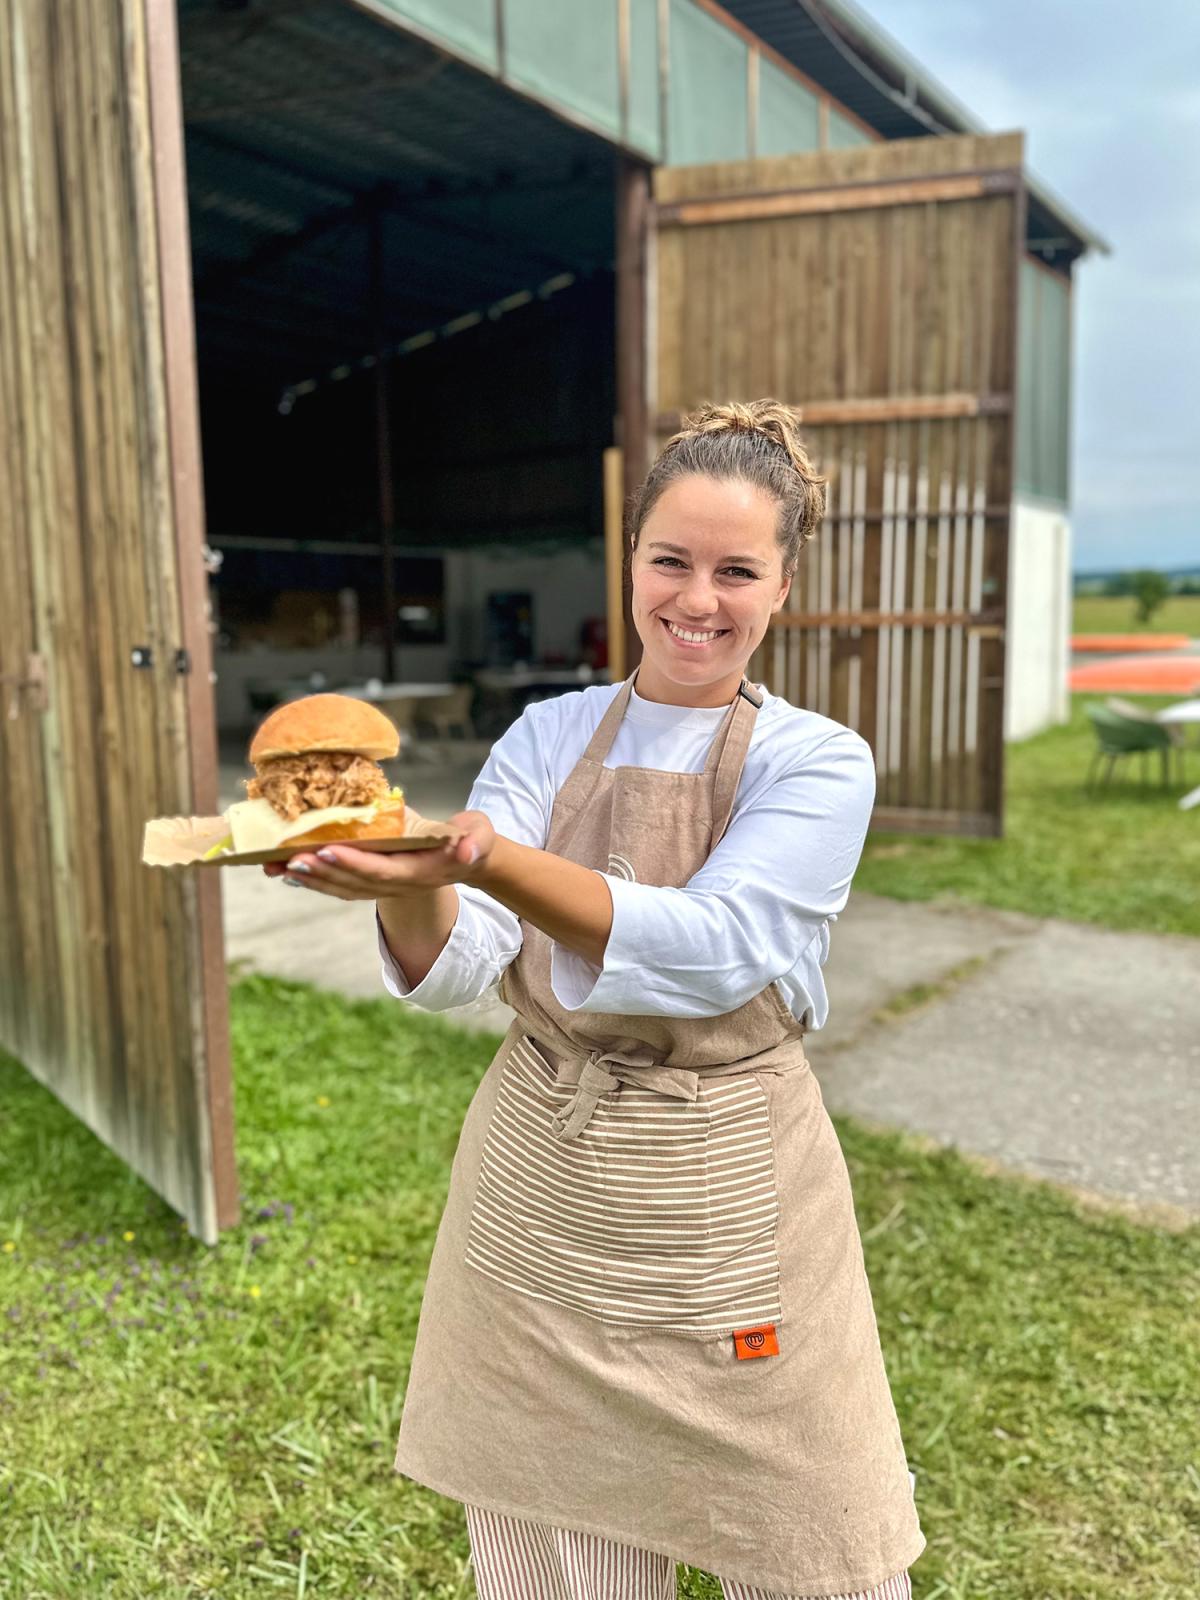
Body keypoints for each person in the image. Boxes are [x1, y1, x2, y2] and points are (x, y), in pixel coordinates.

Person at [271, 402, 925, 1599]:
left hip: (722, 1181)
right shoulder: (550, 732)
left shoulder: (816, 760)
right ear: (630, 563)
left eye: (738, 571)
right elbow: (466, 960)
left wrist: (483, 858)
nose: (698, 599)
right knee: (557, 1522)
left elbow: (717, 949)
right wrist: (413, 885)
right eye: (671, 560)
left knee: (814, 1532)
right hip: (541, 1170)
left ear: (784, 586)